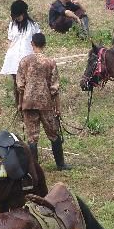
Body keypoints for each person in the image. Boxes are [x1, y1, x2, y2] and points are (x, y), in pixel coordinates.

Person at [16, 32, 70, 170]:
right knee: (53, 133)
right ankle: (61, 164)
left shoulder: (24, 62)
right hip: (46, 104)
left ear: (32, 44)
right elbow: (54, 87)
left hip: (28, 103)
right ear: (44, 44)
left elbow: (20, 86)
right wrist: (58, 107)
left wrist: (20, 104)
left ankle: (34, 167)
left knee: (32, 137)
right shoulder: (50, 62)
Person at [0, 0, 41, 105]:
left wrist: (38, 55)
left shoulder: (33, 26)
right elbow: (10, 41)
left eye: (18, 16)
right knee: (16, 83)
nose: (17, 19)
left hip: (27, 57)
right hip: (13, 58)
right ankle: (19, 105)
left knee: (28, 82)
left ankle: (28, 104)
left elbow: (38, 41)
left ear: (24, 13)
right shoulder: (12, 25)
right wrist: (8, 53)